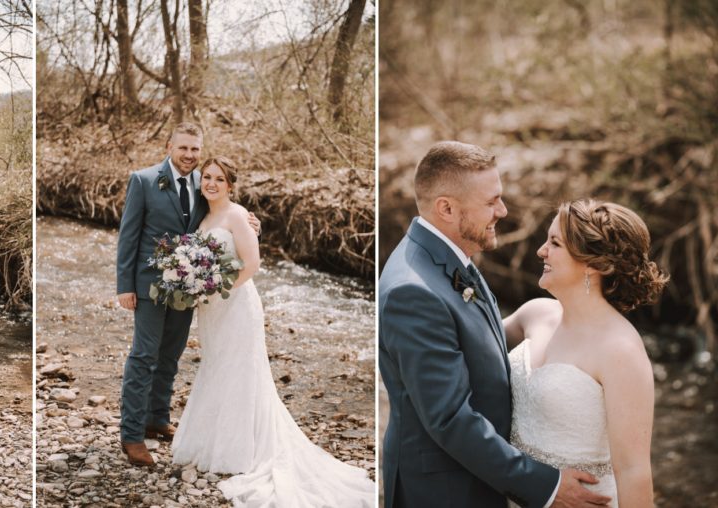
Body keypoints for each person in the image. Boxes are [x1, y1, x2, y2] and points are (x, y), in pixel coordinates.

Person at [378, 141, 611, 507]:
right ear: (447, 209)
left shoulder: (447, 256)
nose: (502, 210)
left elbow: (470, 343)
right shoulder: (413, 290)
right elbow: (450, 418)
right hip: (444, 492)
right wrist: (545, 486)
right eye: (491, 202)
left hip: (478, 476)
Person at [171, 157, 376, 507]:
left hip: (236, 306)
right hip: (212, 310)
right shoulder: (202, 218)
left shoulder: (237, 215)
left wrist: (213, 288)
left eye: (219, 179)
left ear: (231, 185)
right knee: (217, 368)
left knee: (242, 372)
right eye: (207, 177)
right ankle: (212, 440)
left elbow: (252, 265)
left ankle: (241, 450)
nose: (212, 183)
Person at [503, 199, 667, 507]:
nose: (541, 251)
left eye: (554, 243)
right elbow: (470, 342)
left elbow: (634, 471)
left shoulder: (621, 349)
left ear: (596, 264)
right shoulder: (533, 314)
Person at [115, 123, 258, 466]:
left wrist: (252, 224)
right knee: (144, 355)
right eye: (184, 148)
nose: (189, 155)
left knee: (171, 354)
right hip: (149, 285)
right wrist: (125, 285)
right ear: (169, 146)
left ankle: (157, 417)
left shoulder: (203, 183)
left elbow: (226, 217)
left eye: (195, 149)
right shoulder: (144, 180)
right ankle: (132, 435)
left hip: (188, 287)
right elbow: (128, 236)